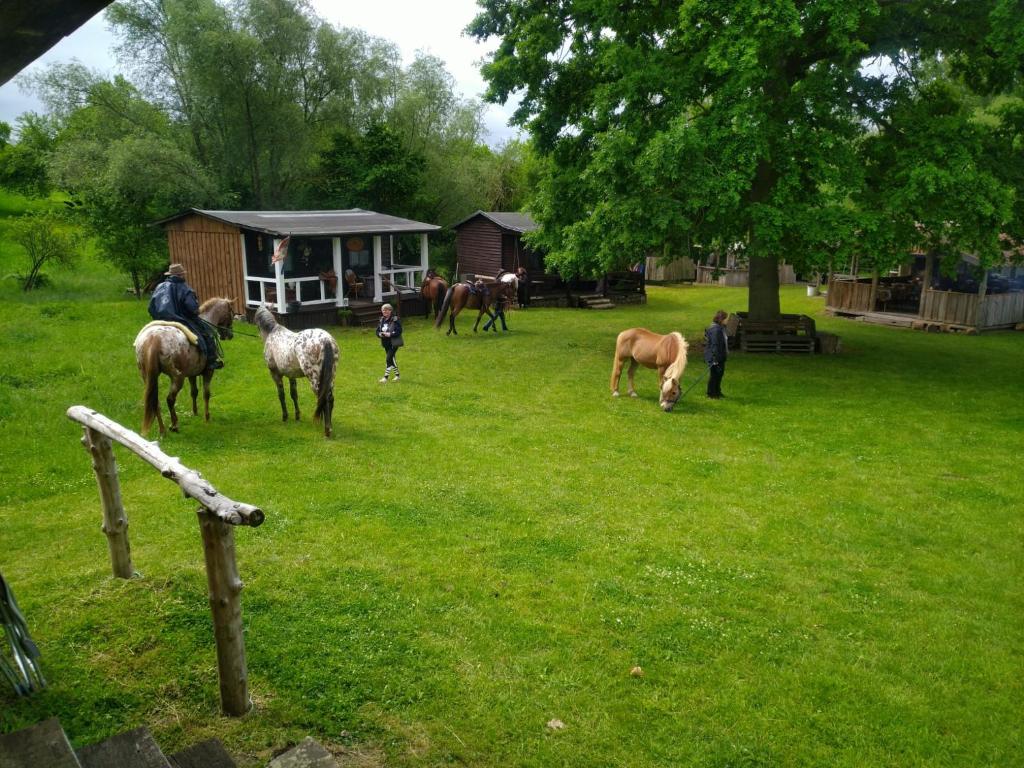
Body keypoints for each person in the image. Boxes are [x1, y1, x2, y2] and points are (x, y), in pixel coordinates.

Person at [148, 263, 222, 371]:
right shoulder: (185, 288)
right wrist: (195, 312)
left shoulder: (160, 286)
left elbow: (151, 307)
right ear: (181, 275)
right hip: (180, 320)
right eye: (183, 274)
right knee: (207, 334)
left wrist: (157, 317)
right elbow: (193, 309)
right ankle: (211, 362)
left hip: (159, 321)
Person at [704, 309, 728, 399]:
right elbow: (715, 345)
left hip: (720, 356)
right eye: (726, 319)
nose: (727, 321)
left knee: (719, 374)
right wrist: (715, 358)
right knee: (714, 375)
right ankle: (711, 393)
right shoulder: (716, 330)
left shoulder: (720, 328)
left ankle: (717, 391)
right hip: (715, 357)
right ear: (721, 319)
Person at [376, 303, 403, 382]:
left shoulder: (395, 319)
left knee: (388, 359)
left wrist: (390, 334)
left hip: (393, 343)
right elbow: (377, 331)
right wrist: (380, 334)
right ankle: (397, 375)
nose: (385, 311)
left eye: (387, 310)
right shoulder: (382, 320)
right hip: (385, 343)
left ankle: (385, 377)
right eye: (383, 310)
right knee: (392, 359)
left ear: (390, 311)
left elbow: (399, 330)